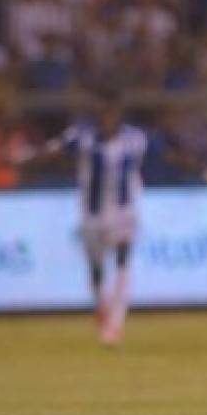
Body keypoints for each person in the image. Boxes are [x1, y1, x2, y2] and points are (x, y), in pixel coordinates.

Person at [20, 90, 148, 345]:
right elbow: (53, 150)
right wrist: (26, 159)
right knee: (97, 268)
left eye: (112, 113)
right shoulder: (82, 137)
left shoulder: (135, 139)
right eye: (103, 113)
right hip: (92, 214)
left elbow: (166, 153)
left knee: (123, 260)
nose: (108, 118)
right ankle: (101, 305)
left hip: (124, 212)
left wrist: (203, 170)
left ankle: (115, 323)